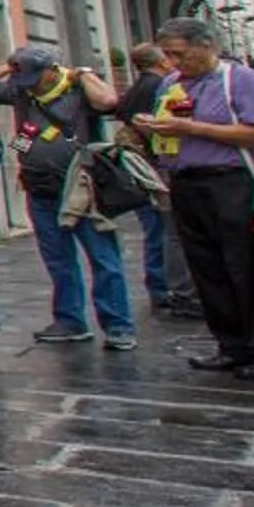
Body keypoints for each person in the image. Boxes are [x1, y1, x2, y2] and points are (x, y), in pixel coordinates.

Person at [154, 17, 254, 383]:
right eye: (168, 55)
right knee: (207, 267)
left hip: (231, 180)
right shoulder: (171, 84)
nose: (173, 62)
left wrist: (194, 128)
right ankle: (232, 344)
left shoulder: (241, 80)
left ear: (206, 45)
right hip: (187, 182)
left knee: (246, 265)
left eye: (179, 54)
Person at [0, 44, 135, 348]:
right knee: (58, 259)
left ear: (52, 72)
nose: (30, 85)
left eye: (35, 78)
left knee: (103, 258)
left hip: (82, 188)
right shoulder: (21, 91)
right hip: (40, 188)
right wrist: (9, 67)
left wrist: (86, 75)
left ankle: (118, 325)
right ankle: (69, 319)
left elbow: (109, 101)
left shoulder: (77, 90)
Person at [110, 41, 195, 316]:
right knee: (163, 230)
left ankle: (162, 287)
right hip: (153, 168)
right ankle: (167, 288)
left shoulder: (136, 88)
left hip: (140, 167)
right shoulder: (159, 87)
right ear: (161, 62)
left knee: (158, 230)